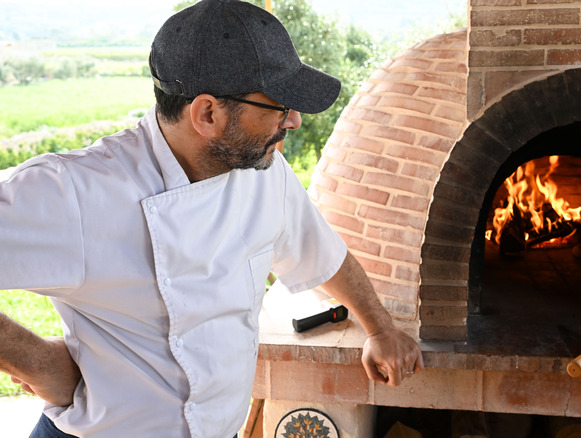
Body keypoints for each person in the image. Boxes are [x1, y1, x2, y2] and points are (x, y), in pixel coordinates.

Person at [0, 0, 424, 436]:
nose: (294, 120)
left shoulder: (262, 173)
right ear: (208, 114)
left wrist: (380, 329)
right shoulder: (76, 192)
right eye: (280, 106)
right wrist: (37, 361)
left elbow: (321, 252)